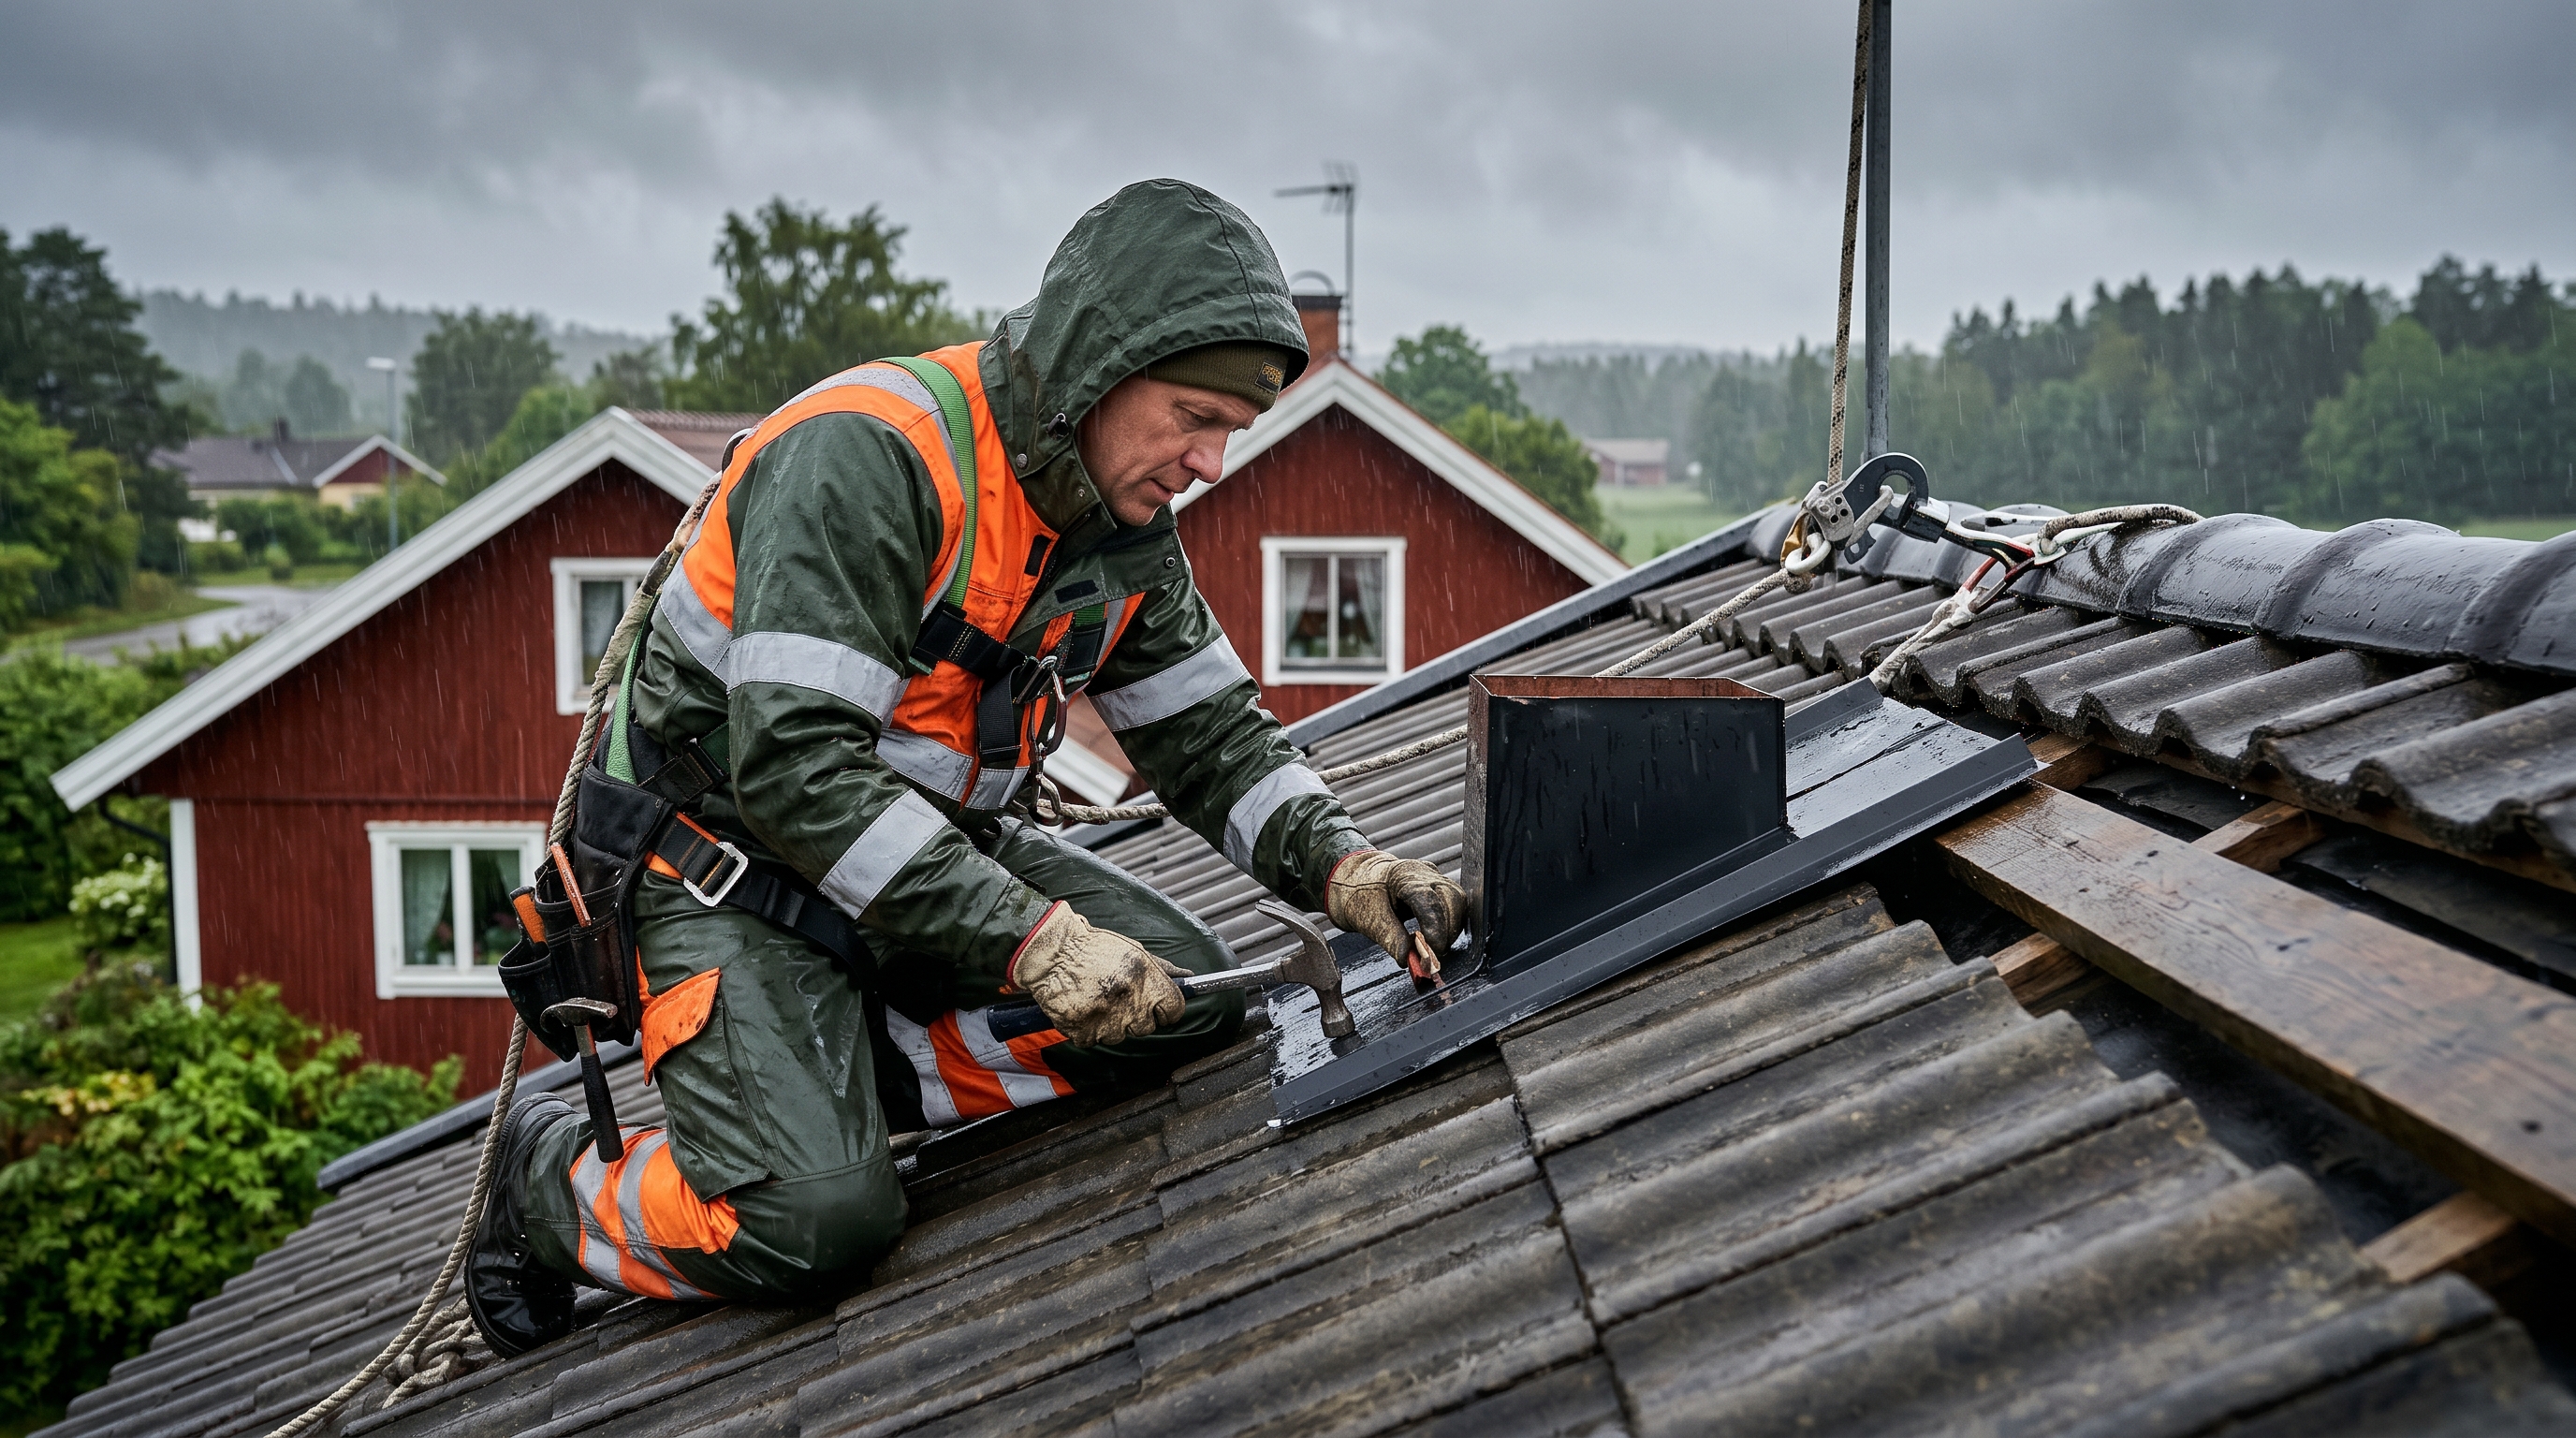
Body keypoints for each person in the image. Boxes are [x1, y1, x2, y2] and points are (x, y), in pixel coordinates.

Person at [466, 180, 1464, 1352]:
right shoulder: (871, 459)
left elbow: (1210, 741)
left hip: (914, 862)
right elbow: (793, 773)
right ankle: (546, 1185)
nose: (1207, 462)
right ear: (1095, 368)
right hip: (727, 870)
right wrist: (1031, 941)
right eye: (1193, 416)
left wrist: (1339, 864)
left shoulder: (1119, 525)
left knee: (1176, 1002)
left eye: (1228, 433)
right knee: (815, 1219)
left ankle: (826, 1073)